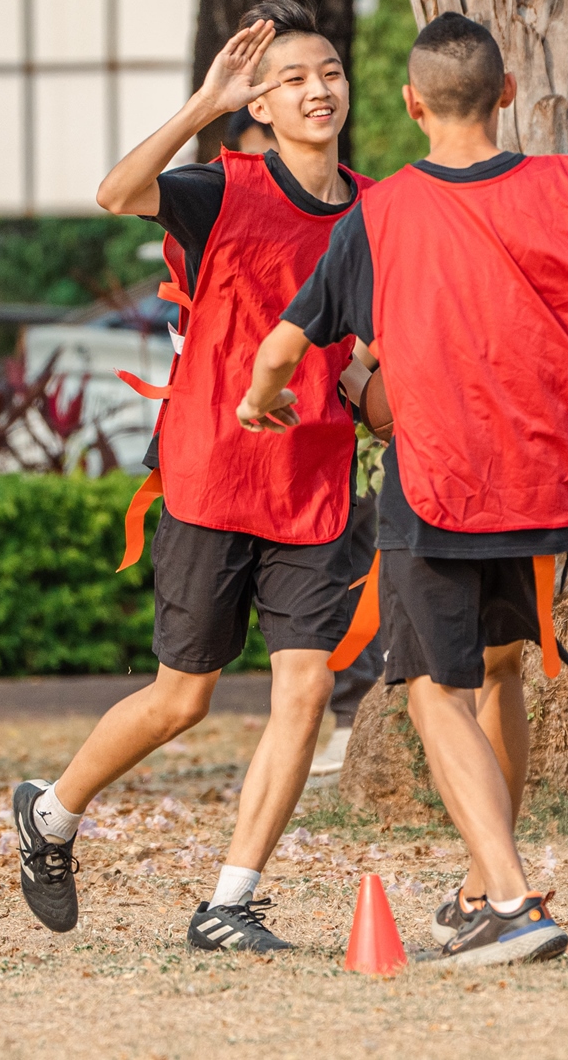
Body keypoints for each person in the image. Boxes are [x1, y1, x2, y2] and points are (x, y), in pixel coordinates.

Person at [234, 12, 568, 966]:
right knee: (501, 668)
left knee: (435, 693)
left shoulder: (379, 214)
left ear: (410, 104)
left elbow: (283, 346)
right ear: (507, 94)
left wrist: (261, 401)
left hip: (437, 487)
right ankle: (479, 883)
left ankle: (510, 900)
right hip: (542, 486)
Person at [11, 0, 372, 953]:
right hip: (212, 472)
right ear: (262, 103)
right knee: (183, 697)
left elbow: (376, 357)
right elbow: (116, 192)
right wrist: (203, 104)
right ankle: (51, 812)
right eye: (293, 78)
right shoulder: (222, 189)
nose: (318, 90)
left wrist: (375, 387)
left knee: (305, 691)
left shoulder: (379, 210)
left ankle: (229, 903)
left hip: (315, 487)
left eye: (330, 71)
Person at [219, 96, 383, 780]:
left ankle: (348, 713)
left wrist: (359, 371)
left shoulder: (357, 210)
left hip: (337, 436)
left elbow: (375, 314)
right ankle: (322, 714)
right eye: (257, 152)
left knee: (349, 571)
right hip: (252, 440)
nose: (270, 165)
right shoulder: (234, 215)